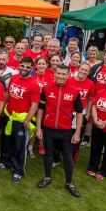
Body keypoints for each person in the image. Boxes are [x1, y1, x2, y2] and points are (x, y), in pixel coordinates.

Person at [36, 65, 83, 197]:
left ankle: (69, 182)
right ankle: (47, 177)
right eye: (59, 73)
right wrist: (39, 127)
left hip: (66, 130)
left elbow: (80, 113)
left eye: (64, 74)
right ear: (54, 74)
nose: (61, 76)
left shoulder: (74, 91)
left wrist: (78, 132)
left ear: (68, 75)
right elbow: (40, 109)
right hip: (49, 129)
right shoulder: (46, 88)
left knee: (68, 157)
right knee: (48, 155)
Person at [0, 57, 40, 183]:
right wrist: (2, 110)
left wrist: (27, 120)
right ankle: (6, 162)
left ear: (32, 68)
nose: (24, 69)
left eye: (28, 67)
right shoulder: (14, 78)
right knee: (6, 141)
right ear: (19, 66)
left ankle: (18, 171)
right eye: (23, 66)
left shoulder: (34, 84)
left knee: (20, 145)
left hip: (22, 119)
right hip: (9, 115)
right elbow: (8, 95)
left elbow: (34, 104)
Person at [69, 63, 94, 148]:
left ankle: (74, 155)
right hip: (69, 110)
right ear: (78, 69)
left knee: (77, 133)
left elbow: (90, 99)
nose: (83, 71)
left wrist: (88, 113)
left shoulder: (90, 83)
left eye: (86, 70)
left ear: (89, 72)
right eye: (82, 69)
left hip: (81, 112)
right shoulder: (69, 80)